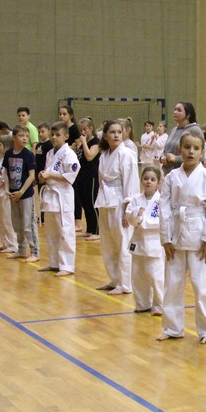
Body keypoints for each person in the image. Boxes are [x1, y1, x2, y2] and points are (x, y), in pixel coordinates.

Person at [157, 131, 206, 343]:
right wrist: (165, 238)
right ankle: (172, 327)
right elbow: (164, 208)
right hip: (176, 233)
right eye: (187, 147)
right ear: (180, 150)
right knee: (172, 284)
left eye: (196, 148)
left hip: (199, 235)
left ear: (202, 152)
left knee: (203, 285)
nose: (191, 152)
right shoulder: (171, 177)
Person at [94, 119, 139, 294]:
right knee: (107, 243)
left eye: (119, 132)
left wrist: (128, 210)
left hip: (121, 201)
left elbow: (131, 184)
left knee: (123, 243)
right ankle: (114, 279)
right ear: (105, 136)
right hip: (105, 200)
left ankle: (125, 284)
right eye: (112, 132)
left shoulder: (127, 154)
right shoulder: (104, 155)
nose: (116, 135)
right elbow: (101, 180)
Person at [38, 122, 81, 277]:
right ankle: (54, 262)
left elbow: (71, 176)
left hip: (63, 195)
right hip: (50, 195)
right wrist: (43, 176)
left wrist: (50, 175)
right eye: (52, 135)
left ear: (66, 136)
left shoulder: (69, 154)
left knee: (65, 230)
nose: (54, 138)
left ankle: (67, 265)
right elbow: (49, 172)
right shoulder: (50, 153)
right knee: (51, 232)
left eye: (58, 135)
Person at [126, 167, 165, 315]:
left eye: (152, 179)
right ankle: (142, 304)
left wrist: (143, 221)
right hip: (138, 241)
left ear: (158, 183)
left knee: (156, 276)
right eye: (146, 178)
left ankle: (160, 305)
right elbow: (128, 217)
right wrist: (136, 216)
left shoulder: (161, 201)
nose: (149, 181)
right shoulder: (136, 199)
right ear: (141, 180)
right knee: (138, 276)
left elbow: (163, 221)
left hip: (154, 243)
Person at [5, 126, 39, 263]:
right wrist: (7, 189)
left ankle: (35, 252)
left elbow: (31, 176)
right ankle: (21, 249)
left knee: (28, 224)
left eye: (26, 136)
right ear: (14, 138)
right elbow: (6, 172)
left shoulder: (28, 155)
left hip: (25, 195)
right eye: (21, 136)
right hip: (13, 195)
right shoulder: (9, 154)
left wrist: (22, 191)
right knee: (17, 224)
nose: (25, 138)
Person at [0, 134, 19, 254]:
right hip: (0, 194)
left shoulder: (9, 160)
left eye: (0, 145)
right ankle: (5, 243)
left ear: (6, 146)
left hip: (7, 193)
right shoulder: (1, 160)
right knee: (1, 220)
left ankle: (13, 245)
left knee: (8, 220)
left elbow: (6, 179)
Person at [160, 102, 204, 175]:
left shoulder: (195, 130)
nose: (175, 112)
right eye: (175, 109)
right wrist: (162, 158)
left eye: (179, 110)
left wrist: (176, 159)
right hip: (169, 174)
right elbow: (166, 149)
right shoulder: (174, 130)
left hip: (187, 174)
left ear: (188, 115)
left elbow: (200, 157)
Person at [75, 117, 101, 240]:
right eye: (81, 130)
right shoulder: (83, 143)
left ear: (91, 128)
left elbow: (90, 156)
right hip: (82, 177)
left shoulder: (96, 142)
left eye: (85, 129)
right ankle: (90, 229)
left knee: (92, 203)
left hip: (91, 177)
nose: (83, 132)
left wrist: (84, 142)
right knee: (85, 203)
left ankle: (97, 231)